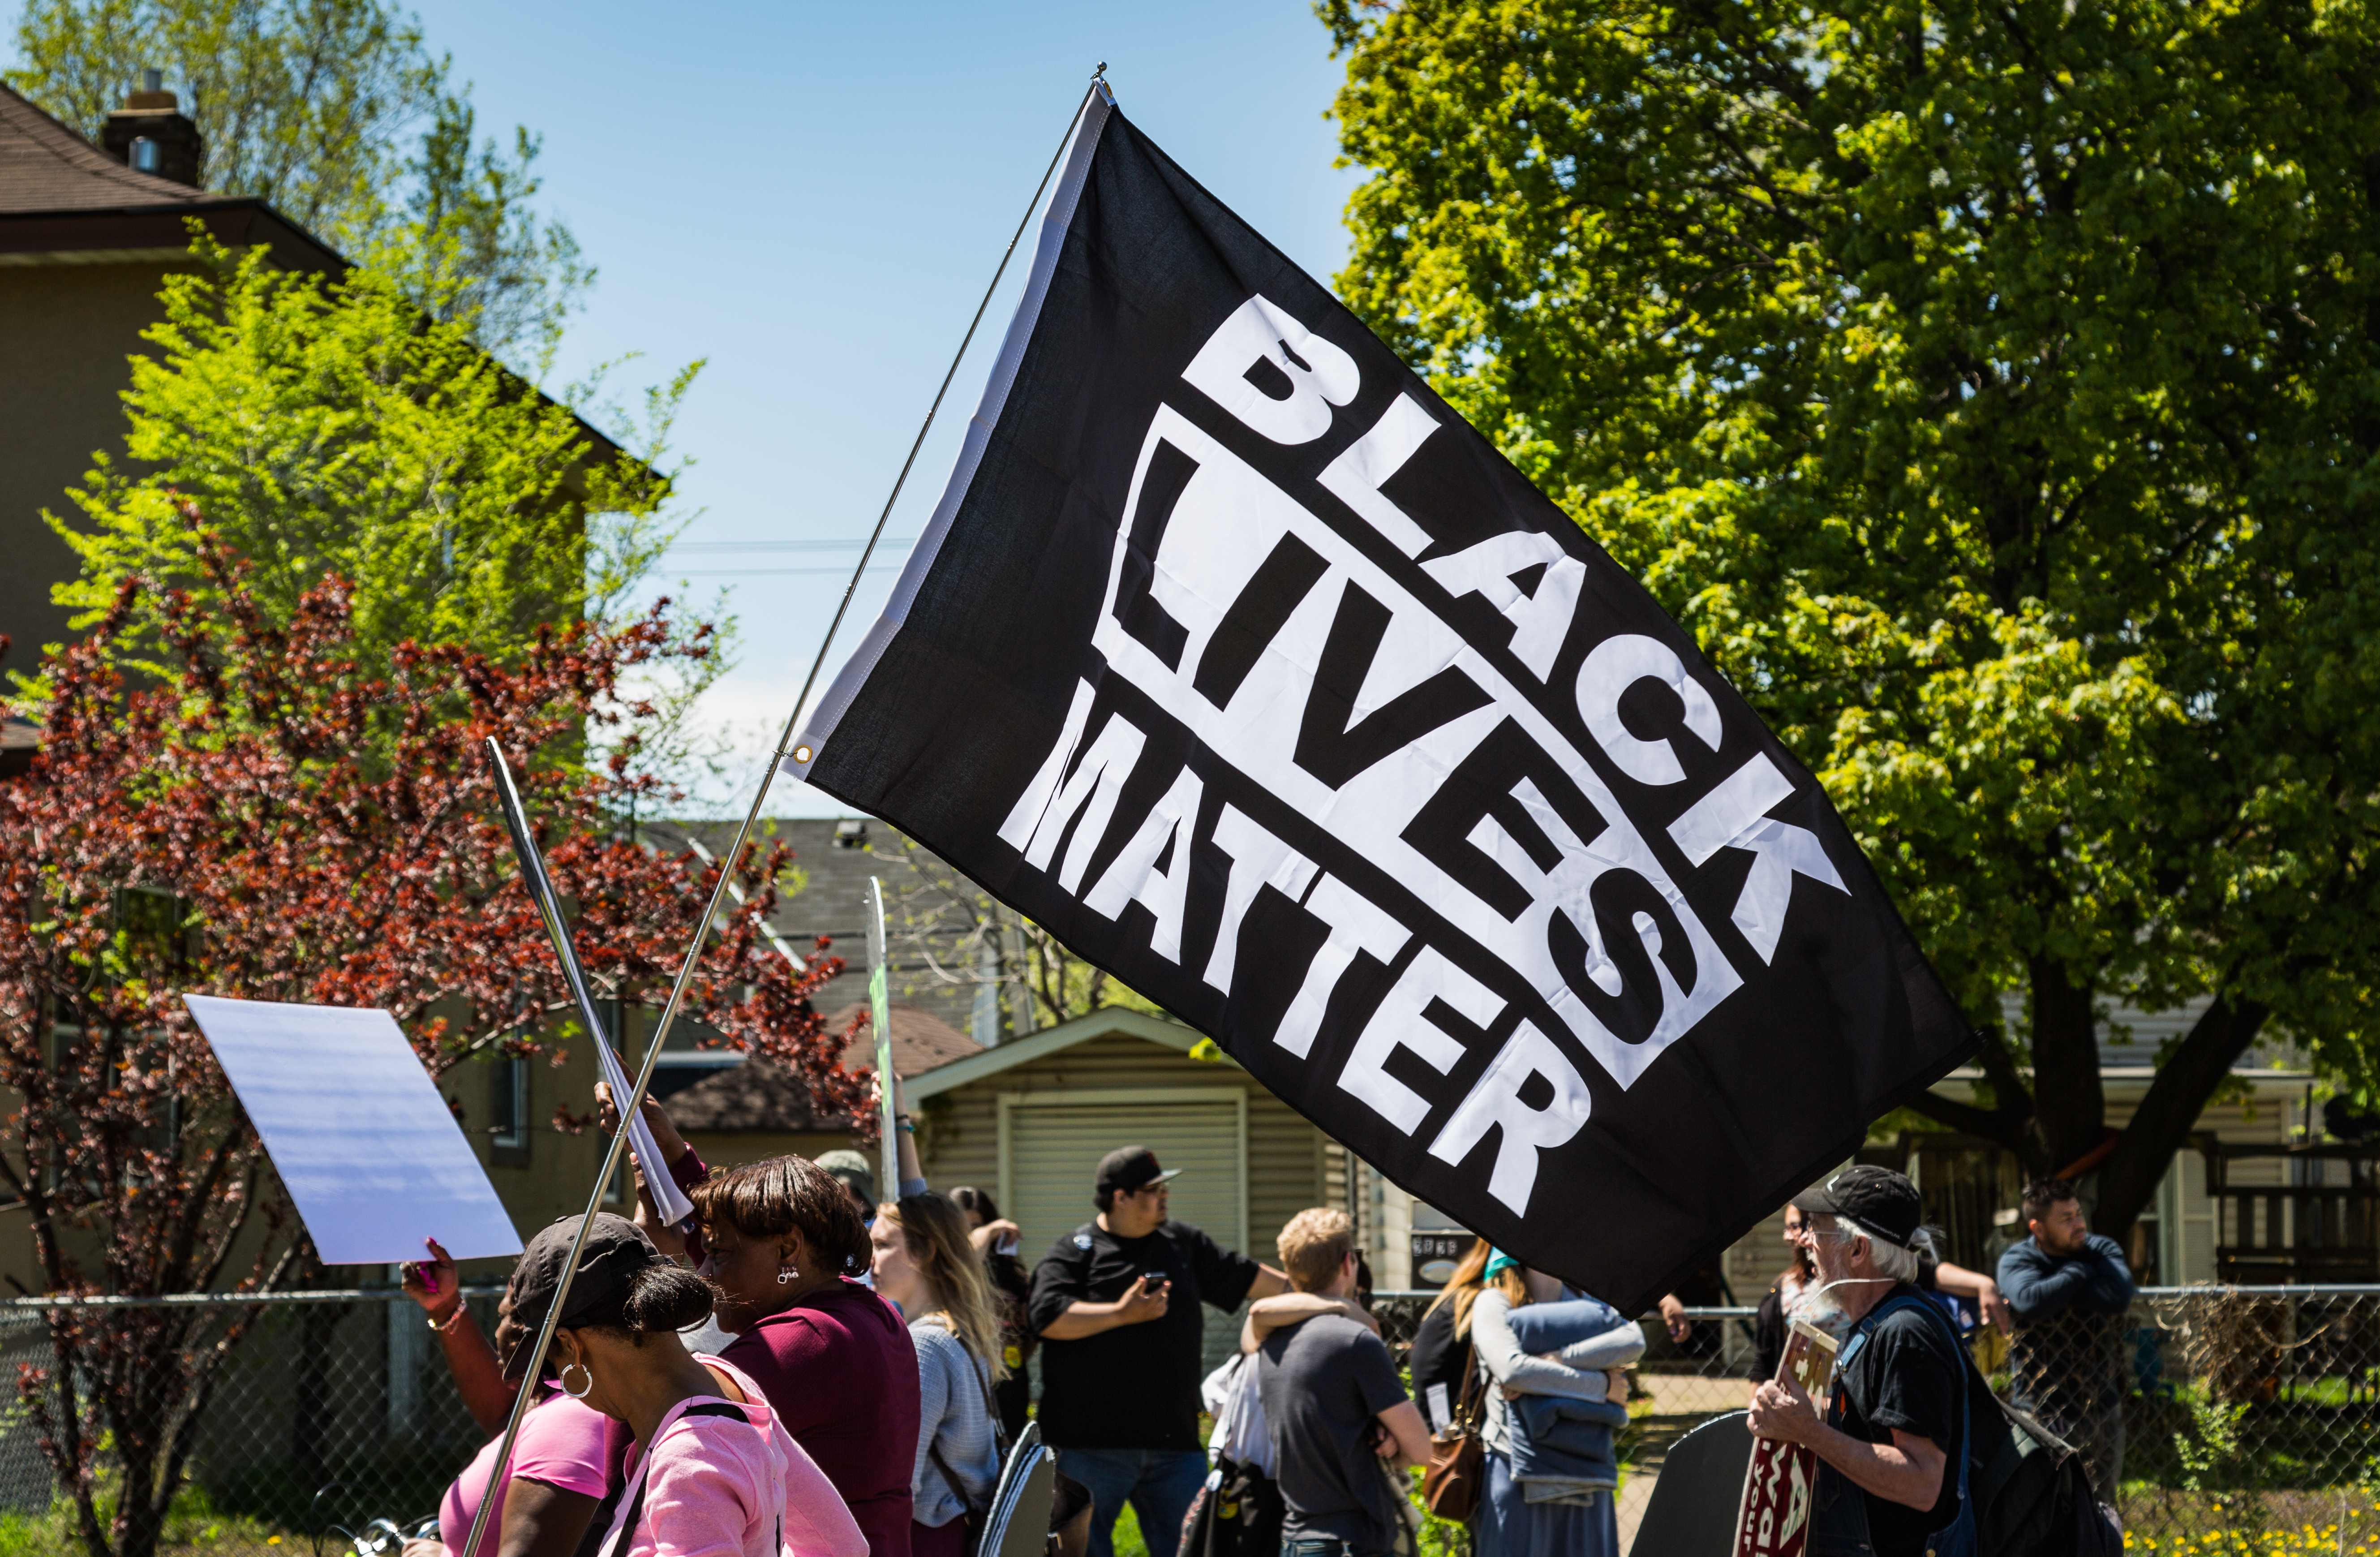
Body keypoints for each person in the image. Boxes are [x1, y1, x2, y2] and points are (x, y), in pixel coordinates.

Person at [403, 1214, 865, 1557]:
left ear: (570, 1344)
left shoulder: (689, 1464)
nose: (560, 1385)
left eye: (551, 1367)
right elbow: (839, 1544)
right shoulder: (732, 1384)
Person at [603, 1086, 925, 1557]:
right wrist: (672, 1151)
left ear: (788, 1248)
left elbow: (653, 1412)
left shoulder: (804, 1344)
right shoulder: (861, 1310)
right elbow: (739, 1249)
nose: (703, 1271)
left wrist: (646, 1275)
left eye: (718, 1254)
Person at [1026, 1145, 1290, 1557]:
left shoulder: (1181, 1243)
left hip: (1175, 1446)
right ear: (1120, 1197)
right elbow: (1046, 1318)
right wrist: (1121, 1313)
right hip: (1091, 1447)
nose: (1164, 1195)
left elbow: (1250, 1277)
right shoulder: (1076, 1252)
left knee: (1195, 1550)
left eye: (1164, 1187)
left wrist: (1322, 1293)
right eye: (1152, 1189)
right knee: (1082, 1553)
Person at [1747, 1166, 2006, 1557]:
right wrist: (1784, 1417)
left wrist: (1809, 1431)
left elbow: (1921, 1482)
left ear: (1857, 1250)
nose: (1807, 1242)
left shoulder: (1906, 1334)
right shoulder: (1876, 1324)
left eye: (1818, 1229)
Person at [398, 1234, 627, 1557]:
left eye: (508, 1316)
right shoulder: (559, 1408)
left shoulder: (570, 1421)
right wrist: (447, 1306)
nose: (498, 1330)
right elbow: (505, 1417)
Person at [1252, 1209, 1432, 1557]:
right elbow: (1421, 1449)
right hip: (1353, 1539)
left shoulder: (1269, 1344)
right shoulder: (1354, 1341)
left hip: (1297, 1538)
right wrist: (1393, 1439)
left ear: (1290, 1271)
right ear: (1348, 1264)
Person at [1471, 1253, 1637, 1557]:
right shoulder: (1492, 1301)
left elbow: (1633, 1340)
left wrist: (1560, 1359)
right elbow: (1513, 1370)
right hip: (1517, 1473)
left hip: (1586, 1471)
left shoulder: (1588, 1299)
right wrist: (1602, 1385)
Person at [872, 1192, 1008, 1557]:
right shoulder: (957, 1329)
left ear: (925, 1252)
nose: (871, 1259)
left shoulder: (924, 1345)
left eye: (883, 1245)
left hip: (928, 1534)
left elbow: (902, 1477)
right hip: (959, 1527)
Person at [1998, 1176, 2136, 1496]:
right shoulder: (2019, 1259)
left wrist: (2058, 1287)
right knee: (2045, 1508)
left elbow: (2118, 1297)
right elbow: (2031, 1301)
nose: (2078, 1224)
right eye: (2066, 1218)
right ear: (2038, 1229)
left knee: (2103, 1508)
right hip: (2040, 1410)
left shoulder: (2100, 1248)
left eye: (2078, 1214)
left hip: (2102, 1406)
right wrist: (2080, 1273)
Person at [949, 1185, 1035, 1443]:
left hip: (1010, 1386)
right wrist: (988, 1232)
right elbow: (964, 1263)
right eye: (961, 1230)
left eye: (976, 1228)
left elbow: (1027, 1338)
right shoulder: (948, 1275)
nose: (970, 1237)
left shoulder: (1012, 1277)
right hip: (967, 1387)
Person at [1406, 1239, 1490, 1433]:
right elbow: (1428, 1371)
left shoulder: (1459, 1300)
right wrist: (1441, 1432)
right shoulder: (1462, 1304)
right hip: (1469, 1437)